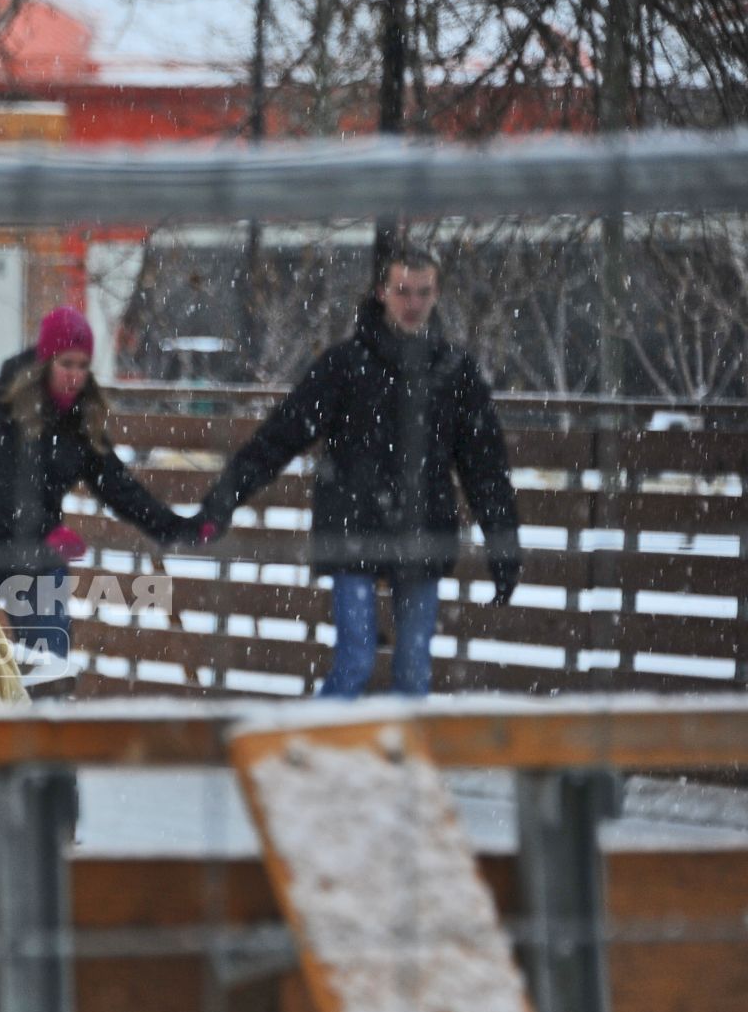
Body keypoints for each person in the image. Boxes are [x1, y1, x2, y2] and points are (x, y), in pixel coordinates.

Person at [192, 248, 522, 698]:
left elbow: (485, 465)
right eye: (403, 291)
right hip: (353, 530)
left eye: (423, 292)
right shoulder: (346, 365)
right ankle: (311, 758)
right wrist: (224, 498)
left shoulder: (454, 371)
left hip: (421, 531)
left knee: (412, 670)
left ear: (435, 294)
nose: (412, 303)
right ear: (383, 292)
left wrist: (502, 542)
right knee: (355, 661)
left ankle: (396, 765)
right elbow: (280, 436)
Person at [0, 305, 190, 658]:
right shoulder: (5, 402)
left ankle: (48, 703)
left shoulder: (81, 418)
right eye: (66, 364)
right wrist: (46, 527)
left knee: (50, 656)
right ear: (46, 362)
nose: (74, 375)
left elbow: (117, 484)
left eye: (82, 366)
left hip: (35, 557)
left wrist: (171, 526)